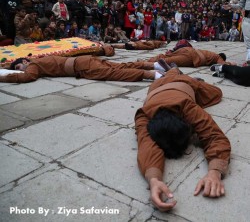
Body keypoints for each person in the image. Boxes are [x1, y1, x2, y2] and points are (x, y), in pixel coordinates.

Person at [134, 65, 231, 211]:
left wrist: (215, 172)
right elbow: (147, 144)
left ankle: (177, 71)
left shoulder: (186, 106)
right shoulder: (144, 114)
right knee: (177, 75)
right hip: (168, 85)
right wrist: (154, 180)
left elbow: (214, 136)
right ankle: (175, 71)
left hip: (179, 83)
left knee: (216, 92)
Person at [0, 56, 170, 83]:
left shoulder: (34, 65)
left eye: (19, 66)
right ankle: (153, 65)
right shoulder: (38, 60)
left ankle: (154, 75)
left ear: (25, 60)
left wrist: (6, 77)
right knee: (120, 66)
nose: (21, 69)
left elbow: (27, 77)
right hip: (84, 60)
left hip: (81, 66)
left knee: (116, 73)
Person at [223, 0, 250, 64]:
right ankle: (249, 55)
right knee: (247, 38)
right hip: (248, 19)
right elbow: (240, 5)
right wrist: (231, 6)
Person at [147, 46, 231, 67]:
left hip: (187, 49)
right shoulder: (217, 57)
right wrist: (230, 63)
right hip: (192, 57)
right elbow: (223, 64)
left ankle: (149, 59)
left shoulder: (210, 53)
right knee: (168, 61)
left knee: (167, 55)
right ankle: (144, 63)